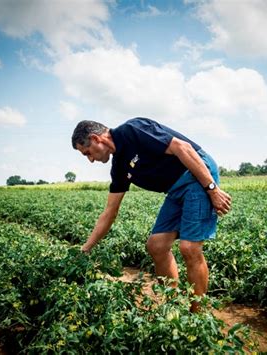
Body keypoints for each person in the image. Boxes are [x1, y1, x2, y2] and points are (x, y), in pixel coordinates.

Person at [71, 117, 231, 311]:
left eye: (87, 153)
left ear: (96, 139)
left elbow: (183, 148)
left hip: (196, 176)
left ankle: (197, 315)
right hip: (175, 189)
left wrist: (212, 189)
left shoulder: (131, 131)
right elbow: (110, 212)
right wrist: (85, 249)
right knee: (156, 245)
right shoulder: (119, 166)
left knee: (189, 248)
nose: (90, 159)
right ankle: (173, 307)